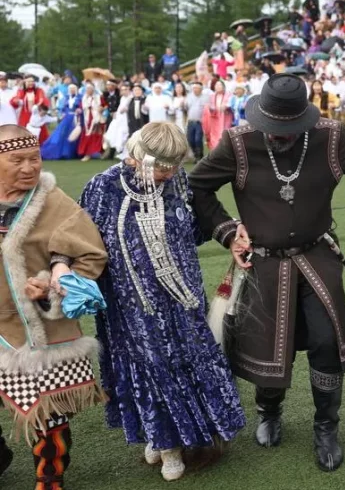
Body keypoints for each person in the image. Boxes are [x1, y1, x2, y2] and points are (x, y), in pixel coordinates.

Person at [188, 73, 345, 472]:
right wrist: (227, 232)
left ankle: (326, 427)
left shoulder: (330, 137)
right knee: (272, 342)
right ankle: (269, 411)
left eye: (288, 127)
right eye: (272, 127)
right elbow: (197, 186)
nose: (279, 134)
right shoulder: (238, 142)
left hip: (317, 256)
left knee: (326, 341)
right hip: (263, 261)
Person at [80, 123, 246, 482]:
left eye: (174, 165)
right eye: (162, 167)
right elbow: (85, 245)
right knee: (150, 366)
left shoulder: (178, 182)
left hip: (184, 300)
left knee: (189, 361)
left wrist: (232, 229)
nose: (168, 174)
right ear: (139, 155)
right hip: (131, 306)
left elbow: (194, 229)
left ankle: (188, 438)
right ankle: (164, 442)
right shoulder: (103, 187)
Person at [0, 126, 108, 490]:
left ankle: (49, 480)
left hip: (41, 332)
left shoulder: (54, 203)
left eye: (34, 158)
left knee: (49, 416)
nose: (29, 167)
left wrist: (52, 284)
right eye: (17, 160)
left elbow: (91, 255)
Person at [40, 83, 82, 161]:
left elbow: (81, 107)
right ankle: (60, 152)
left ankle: (72, 152)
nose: (72, 90)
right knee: (62, 134)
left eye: (74, 89)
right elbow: (63, 108)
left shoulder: (79, 97)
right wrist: (63, 113)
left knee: (73, 135)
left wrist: (79, 111)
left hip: (75, 118)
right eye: (71, 89)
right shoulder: (67, 97)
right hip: (67, 118)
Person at [76, 84, 105, 161]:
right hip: (87, 119)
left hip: (97, 118)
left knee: (98, 136)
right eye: (87, 89)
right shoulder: (84, 98)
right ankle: (87, 154)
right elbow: (80, 107)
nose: (89, 90)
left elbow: (104, 105)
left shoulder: (98, 97)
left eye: (90, 89)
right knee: (87, 137)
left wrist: (102, 109)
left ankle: (100, 152)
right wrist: (78, 110)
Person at [202, 80, 232, 151]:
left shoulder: (229, 95)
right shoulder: (212, 96)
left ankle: (225, 151)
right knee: (214, 136)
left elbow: (231, 104)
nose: (218, 86)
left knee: (224, 135)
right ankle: (215, 151)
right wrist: (210, 109)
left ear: (223, 86)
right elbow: (208, 107)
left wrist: (226, 106)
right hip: (214, 119)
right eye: (216, 85)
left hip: (225, 119)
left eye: (220, 85)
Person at [185, 82, 206, 160]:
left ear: (201, 89)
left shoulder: (205, 98)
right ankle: (195, 154)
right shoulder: (189, 97)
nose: (195, 90)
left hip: (199, 122)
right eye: (194, 88)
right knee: (190, 140)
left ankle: (199, 156)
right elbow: (185, 108)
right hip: (190, 121)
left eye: (197, 88)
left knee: (198, 139)